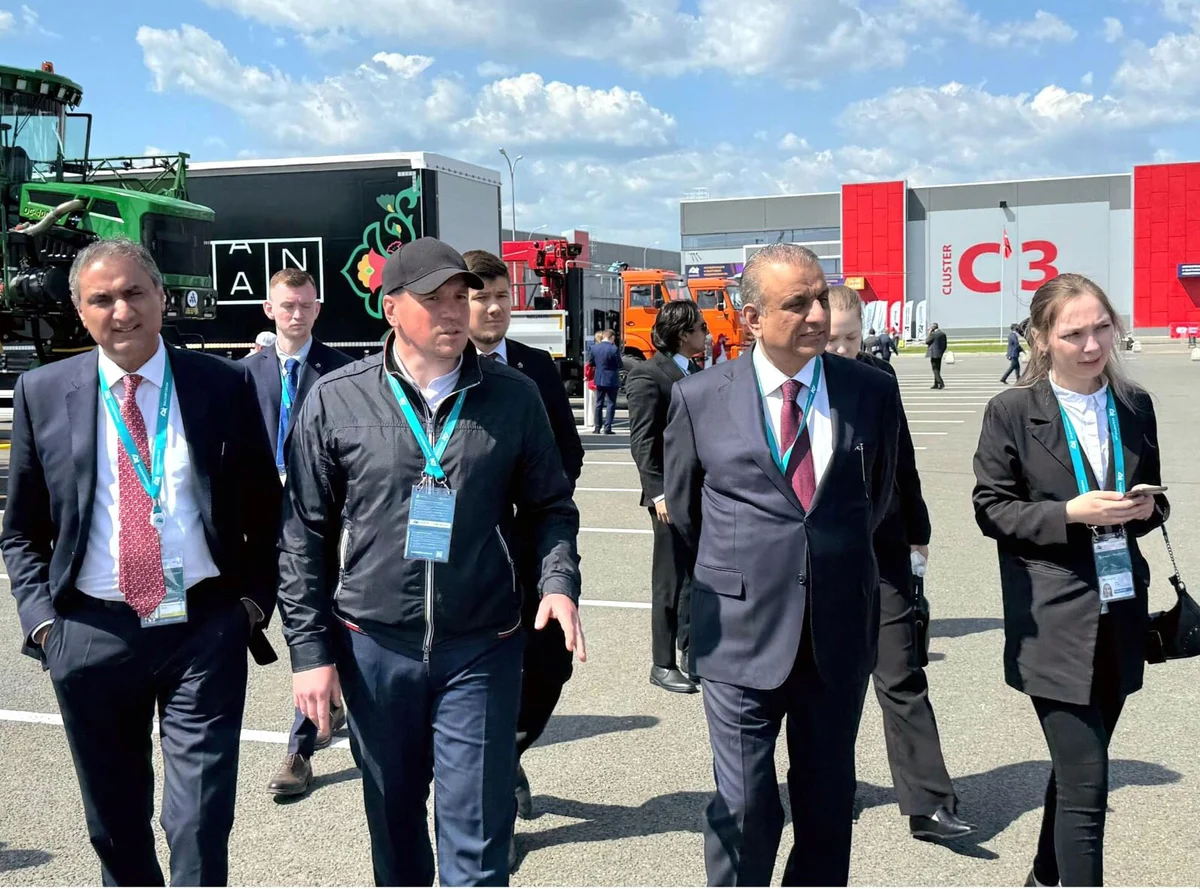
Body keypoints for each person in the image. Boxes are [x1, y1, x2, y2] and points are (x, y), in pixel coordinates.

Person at [277, 237, 586, 887]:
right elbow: (303, 535)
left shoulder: (514, 396)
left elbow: (551, 507)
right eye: (434, 299)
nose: (453, 311)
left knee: (477, 836)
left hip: (481, 644)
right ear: (391, 308)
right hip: (374, 644)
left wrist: (558, 582)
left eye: (460, 297)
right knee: (394, 828)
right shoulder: (337, 398)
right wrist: (309, 651)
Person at [0, 239, 281, 886]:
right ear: (79, 310)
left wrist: (250, 604)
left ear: (161, 297)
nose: (121, 311)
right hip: (91, 631)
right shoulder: (43, 390)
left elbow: (266, 509)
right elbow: (22, 531)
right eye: (101, 299)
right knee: (115, 826)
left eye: (134, 293)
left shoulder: (222, 384)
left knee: (199, 821)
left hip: (201, 629)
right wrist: (44, 626)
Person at [664, 244, 900, 886]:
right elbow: (685, 513)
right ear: (751, 319)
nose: (818, 314)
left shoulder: (871, 391)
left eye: (821, 297)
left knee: (828, 801)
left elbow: (881, 497)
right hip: (738, 631)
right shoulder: (698, 397)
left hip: (837, 628)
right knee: (745, 805)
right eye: (797, 303)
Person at [972, 273, 1169, 887]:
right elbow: (991, 509)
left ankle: (1041, 876)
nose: (1092, 346)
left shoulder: (1134, 406)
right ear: (1040, 338)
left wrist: (1146, 508)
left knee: (1078, 766)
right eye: (1074, 334)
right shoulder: (1012, 411)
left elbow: (1154, 501)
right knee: (1089, 786)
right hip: (1053, 618)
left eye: (1101, 328)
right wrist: (1069, 514)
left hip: (1121, 608)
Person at [826, 286, 975, 843]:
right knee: (829, 681)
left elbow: (903, 458)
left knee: (901, 670)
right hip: (821, 555)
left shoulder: (880, 379)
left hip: (884, 547)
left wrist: (918, 533)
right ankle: (828, 785)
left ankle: (929, 802)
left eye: (850, 337)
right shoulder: (798, 386)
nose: (841, 349)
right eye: (830, 339)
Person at [462, 248, 584, 856]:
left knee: (550, 664)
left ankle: (509, 749)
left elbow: (569, 451)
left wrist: (539, 492)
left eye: (501, 296)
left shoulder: (536, 367)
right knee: (480, 677)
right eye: (480, 297)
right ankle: (494, 819)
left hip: (531, 544)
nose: (493, 308)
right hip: (469, 553)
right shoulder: (442, 368)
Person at [244, 267, 355, 798]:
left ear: (318, 309)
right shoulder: (243, 374)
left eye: (305, 304)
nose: (296, 314)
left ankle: (300, 748)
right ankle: (328, 702)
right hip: (258, 523)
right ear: (269, 309)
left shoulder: (342, 374)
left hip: (320, 525)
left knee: (311, 624)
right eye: (287, 305)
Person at [626, 300, 707, 695]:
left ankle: (691, 652)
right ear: (683, 333)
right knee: (670, 581)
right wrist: (658, 493)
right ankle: (662, 663)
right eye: (701, 327)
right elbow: (642, 442)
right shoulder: (647, 375)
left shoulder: (695, 371)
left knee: (695, 575)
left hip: (699, 491)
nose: (706, 333)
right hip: (668, 496)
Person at [588, 329, 622, 434]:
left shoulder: (594, 348)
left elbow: (591, 362)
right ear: (612, 337)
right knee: (611, 403)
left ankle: (597, 427)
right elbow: (619, 364)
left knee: (599, 403)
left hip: (599, 378)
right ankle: (607, 428)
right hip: (611, 379)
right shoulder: (614, 349)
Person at [926, 322, 948, 389]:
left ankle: (941, 383)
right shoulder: (943, 334)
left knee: (935, 369)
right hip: (939, 353)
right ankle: (936, 384)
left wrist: (929, 333)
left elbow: (927, 341)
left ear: (933, 328)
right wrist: (942, 352)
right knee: (938, 369)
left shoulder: (933, 334)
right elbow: (945, 345)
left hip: (933, 353)